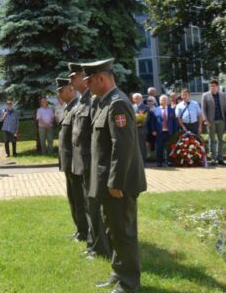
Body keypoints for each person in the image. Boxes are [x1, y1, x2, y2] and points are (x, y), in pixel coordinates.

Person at [83, 59, 147, 293]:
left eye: (89, 81)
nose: (88, 86)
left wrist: (115, 182)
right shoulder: (104, 103)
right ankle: (119, 273)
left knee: (124, 233)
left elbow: (123, 146)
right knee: (113, 230)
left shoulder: (117, 104)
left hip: (119, 183)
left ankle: (129, 284)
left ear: (101, 78)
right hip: (108, 182)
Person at [68, 62, 111, 259]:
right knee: (87, 205)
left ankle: (99, 245)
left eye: (73, 77)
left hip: (90, 162)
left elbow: (96, 135)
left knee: (93, 207)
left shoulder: (93, 101)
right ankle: (94, 244)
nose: (71, 81)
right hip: (82, 163)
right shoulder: (83, 101)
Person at [56, 77, 88, 244]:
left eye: (61, 91)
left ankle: (84, 231)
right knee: (72, 197)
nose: (58, 95)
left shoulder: (76, 108)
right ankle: (79, 229)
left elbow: (78, 138)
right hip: (68, 163)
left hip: (76, 163)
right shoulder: (68, 108)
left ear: (70, 90)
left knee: (79, 199)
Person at [201, 78, 225, 165]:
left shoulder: (222, 95)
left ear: (217, 86)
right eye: (210, 86)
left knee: (220, 140)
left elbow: (225, 108)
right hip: (210, 121)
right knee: (212, 140)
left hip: (221, 120)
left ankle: (220, 158)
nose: (212, 87)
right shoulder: (205, 95)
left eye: (213, 86)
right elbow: (203, 109)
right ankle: (213, 159)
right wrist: (205, 120)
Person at [150, 95, 178, 167]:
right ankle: (159, 162)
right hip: (159, 133)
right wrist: (153, 130)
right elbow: (152, 122)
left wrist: (175, 131)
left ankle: (169, 161)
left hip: (169, 132)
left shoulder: (171, 110)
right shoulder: (155, 110)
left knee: (169, 148)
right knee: (159, 148)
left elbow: (175, 121)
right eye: (162, 100)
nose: (164, 101)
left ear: (168, 101)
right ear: (159, 101)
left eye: (165, 100)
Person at [131, 93, 150, 164]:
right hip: (133, 130)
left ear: (141, 99)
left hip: (142, 130)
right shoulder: (131, 107)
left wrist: (140, 124)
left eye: (137, 98)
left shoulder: (146, 107)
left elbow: (147, 118)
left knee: (142, 146)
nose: (136, 100)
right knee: (134, 146)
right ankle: (136, 162)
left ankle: (143, 161)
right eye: (135, 98)